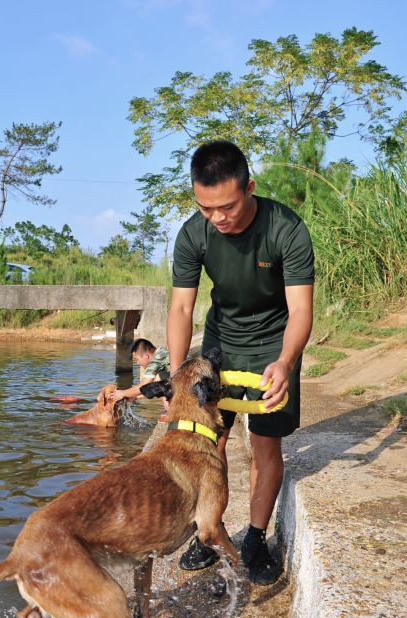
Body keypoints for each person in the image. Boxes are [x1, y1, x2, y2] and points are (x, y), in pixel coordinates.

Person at [167, 139, 314, 585]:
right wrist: (177, 380)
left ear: (249, 187)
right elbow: (179, 311)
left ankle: (254, 536)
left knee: (265, 445)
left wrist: (286, 362)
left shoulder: (286, 229)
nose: (218, 218)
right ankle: (209, 532)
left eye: (227, 206)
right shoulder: (194, 233)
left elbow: (302, 310)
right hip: (220, 345)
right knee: (212, 442)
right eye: (207, 208)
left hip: (274, 341)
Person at [111, 338, 169, 404]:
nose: (137, 363)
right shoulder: (162, 352)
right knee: (159, 379)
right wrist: (136, 396)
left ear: (146, 356)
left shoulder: (156, 360)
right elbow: (154, 385)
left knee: (160, 379)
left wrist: (122, 393)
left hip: (181, 385)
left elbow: (144, 385)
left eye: (137, 359)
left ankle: (171, 409)